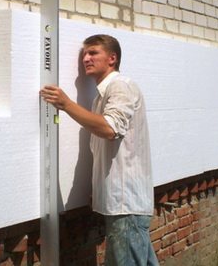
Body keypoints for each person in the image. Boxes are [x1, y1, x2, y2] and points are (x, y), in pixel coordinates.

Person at [40, 34, 159, 266]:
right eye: (84, 53)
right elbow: (105, 148)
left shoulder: (121, 86)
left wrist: (66, 104)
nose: (86, 58)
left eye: (93, 53)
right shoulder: (100, 97)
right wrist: (98, 187)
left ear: (112, 58)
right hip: (121, 204)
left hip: (126, 205)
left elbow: (109, 129)